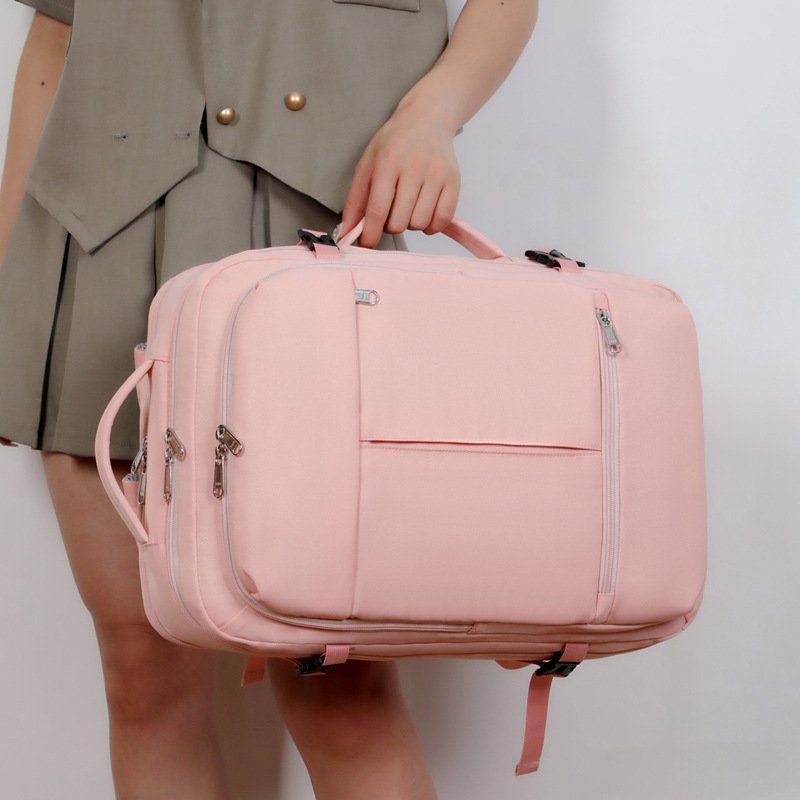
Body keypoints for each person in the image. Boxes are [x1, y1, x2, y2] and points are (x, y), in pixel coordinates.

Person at [0, 1, 540, 797]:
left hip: (316, 242)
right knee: (144, 678)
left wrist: (432, 114)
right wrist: (9, 297)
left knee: (342, 690)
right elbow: (56, 34)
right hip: (95, 242)